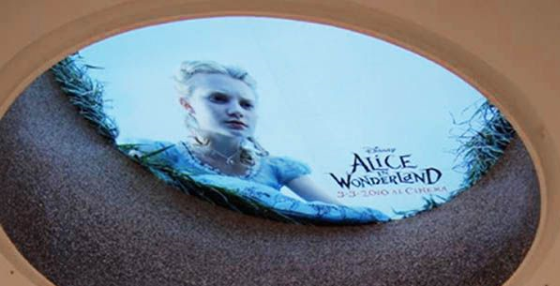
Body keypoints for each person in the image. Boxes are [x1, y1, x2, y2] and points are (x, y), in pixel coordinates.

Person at [124, 61, 389, 225]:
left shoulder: (277, 167)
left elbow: (339, 213)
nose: (237, 111)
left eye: (246, 104)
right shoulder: (162, 154)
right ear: (188, 105)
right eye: (218, 98)